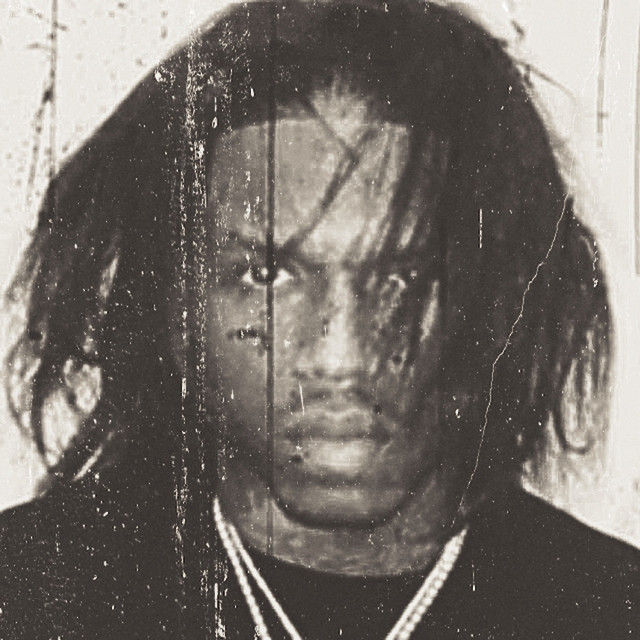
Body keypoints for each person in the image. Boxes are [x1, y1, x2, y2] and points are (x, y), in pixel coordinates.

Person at [0, 1, 637, 638]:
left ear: (502, 303)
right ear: (175, 303)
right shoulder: (29, 595)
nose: (338, 359)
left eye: (406, 279)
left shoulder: (609, 612)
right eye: (265, 275)